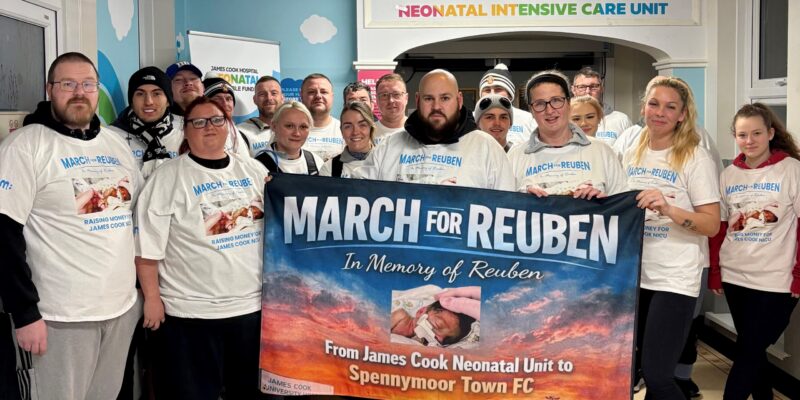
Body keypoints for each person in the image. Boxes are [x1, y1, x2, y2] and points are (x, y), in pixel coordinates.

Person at [0, 52, 143, 400]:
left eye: (88, 84)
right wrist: (25, 313)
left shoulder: (116, 143)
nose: (79, 92)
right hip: (58, 319)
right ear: (50, 90)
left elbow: (135, 218)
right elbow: (3, 235)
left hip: (121, 310)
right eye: (68, 84)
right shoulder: (25, 146)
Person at [135, 96, 270, 399]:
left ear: (228, 126)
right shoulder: (167, 178)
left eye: (216, 120)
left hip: (250, 309)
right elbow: (146, 248)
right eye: (199, 121)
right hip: (190, 313)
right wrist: (152, 299)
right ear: (186, 130)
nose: (209, 127)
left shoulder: (254, 172)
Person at [624, 77, 720, 400]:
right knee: (636, 373)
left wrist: (668, 208)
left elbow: (711, 224)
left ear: (682, 115)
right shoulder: (630, 150)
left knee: (658, 375)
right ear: (643, 107)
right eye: (654, 104)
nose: (660, 112)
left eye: (670, 106)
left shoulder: (696, 157)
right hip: (635, 276)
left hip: (674, 278)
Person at [709, 103, 800, 400]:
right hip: (736, 276)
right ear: (735, 136)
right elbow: (720, 228)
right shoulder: (729, 174)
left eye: (757, 133)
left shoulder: (792, 170)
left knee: (748, 351)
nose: (750, 141)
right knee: (753, 350)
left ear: (771, 133)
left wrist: (798, 275)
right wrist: (716, 271)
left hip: (776, 280)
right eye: (742, 134)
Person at [359, 69, 514, 191]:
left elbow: (508, 210)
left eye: (445, 98)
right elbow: (354, 195)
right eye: (429, 99)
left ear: (459, 100)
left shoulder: (487, 149)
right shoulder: (388, 148)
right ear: (418, 100)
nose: (436, 107)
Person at [508, 70, 626, 198]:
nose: (549, 110)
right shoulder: (515, 156)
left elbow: (623, 206)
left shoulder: (602, 151)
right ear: (531, 111)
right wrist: (523, 200)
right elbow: (502, 208)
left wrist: (602, 201)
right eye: (540, 104)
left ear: (569, 104)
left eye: (556, 100)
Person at [109, 66, 183, 179]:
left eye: (156, 94)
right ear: (132, 101)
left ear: (168, 100)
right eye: (140, 94)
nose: (148, 101)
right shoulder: (112, 136)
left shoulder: (184, 134)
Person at [255, 101, 324, 175]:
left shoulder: (317, 163)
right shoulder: (258, 166)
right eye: (289, 126)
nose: (297, 133)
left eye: (303, 127)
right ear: (274, 126)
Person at [477, 63, 537, 147]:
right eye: (487, 90)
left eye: (498, 89)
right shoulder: (471, 119)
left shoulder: (528, 119)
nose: (492, 94)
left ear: (509, 94)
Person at [571, 67, 632, 146]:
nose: (588, 92)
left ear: (602, 88)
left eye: (594, 86)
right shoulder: (564, 121)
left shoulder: (621, 120)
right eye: (582, 87)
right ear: (573, 90)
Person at [320, 101, 375, 178]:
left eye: (362, 125)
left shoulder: (385, 162)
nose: (355, 132)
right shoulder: (329, 168)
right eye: (348, 126)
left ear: (371, 128)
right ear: (341, 131)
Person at [202, 76, 252, 159]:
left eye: (229, 99)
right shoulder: (200, 135)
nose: (225, 104)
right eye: (217, 99)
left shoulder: (240, 133)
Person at [300, 73, 344, 161]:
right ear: (301, 96)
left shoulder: (344, 129)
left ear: (332, 96)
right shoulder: (288, 131)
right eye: (311, 92)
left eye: (324, 92)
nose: (318, 96)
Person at [237, 75, 284, 156]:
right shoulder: (241, 131)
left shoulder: (295, 128)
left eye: (274, 93)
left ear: (282, 98)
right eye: (262, 94)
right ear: (255, 99)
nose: (269, 98)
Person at [374, 73, 409, 143]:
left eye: (396, 94)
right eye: (384, 95)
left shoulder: (419, 131)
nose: (391, 100)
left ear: (406, 98)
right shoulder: (368, 133)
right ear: (377, 100)